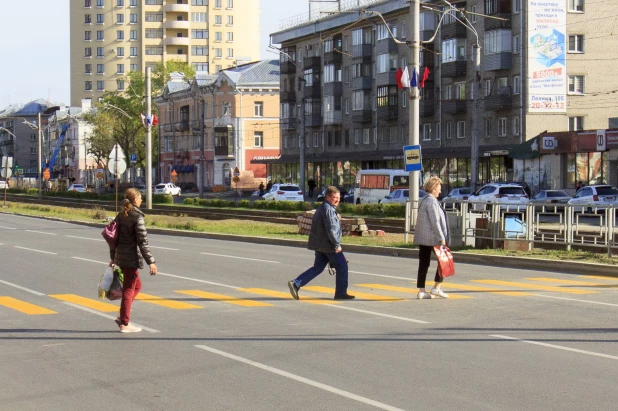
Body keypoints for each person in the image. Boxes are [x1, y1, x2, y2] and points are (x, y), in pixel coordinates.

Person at [288, 186, 354, 300]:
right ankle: (341, 293)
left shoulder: (324, 208)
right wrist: (337, 245)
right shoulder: (328, 209)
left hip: (320, 244)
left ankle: (296, 283)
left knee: (318, 268)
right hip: (328, 245)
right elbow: (331, 229)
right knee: (342, 266)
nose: (337, 200)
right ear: (327, 197)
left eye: (339, 198)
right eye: (334, 198)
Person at [109, 188, 157, 333]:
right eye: (140, 198)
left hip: (121, 256)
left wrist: (113, 257)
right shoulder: (137, 217)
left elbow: (113, 239)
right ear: (135, 200)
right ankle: (124, 322)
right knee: (129, 289)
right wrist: (151, 262)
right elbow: (143, 242)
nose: (142, 200)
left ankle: (123, 314)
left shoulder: (121, 215)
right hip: (130, 259)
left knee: (137, 286)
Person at [414, 176, 450, 300]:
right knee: (444, 262)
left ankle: (421, 291)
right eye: (439, 188)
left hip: (423, 238)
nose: (440, 191)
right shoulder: (432, 201)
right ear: (433, 188)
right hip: (433, 238)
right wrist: (442, 238)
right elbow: (435, 221)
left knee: (423, 264)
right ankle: (436, 287)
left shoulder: (424, 199)